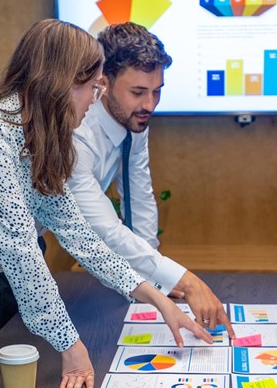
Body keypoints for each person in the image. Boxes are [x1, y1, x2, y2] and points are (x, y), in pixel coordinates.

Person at [0, 19, 213, 388]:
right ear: (61, 83)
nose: (94, 98)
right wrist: (71, 347)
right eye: (92, 87)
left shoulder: (39, 135)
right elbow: (19, 247)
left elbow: (77, 233)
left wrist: (154, 295)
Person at [64, 21, 234, 335]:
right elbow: (103, 228)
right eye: (138, 92)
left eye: (157, 92)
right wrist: (186, 281)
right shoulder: (76, 131)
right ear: (103, 82)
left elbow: (139, 196)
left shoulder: (134, 118)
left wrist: (156, 281)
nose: (149, 105)